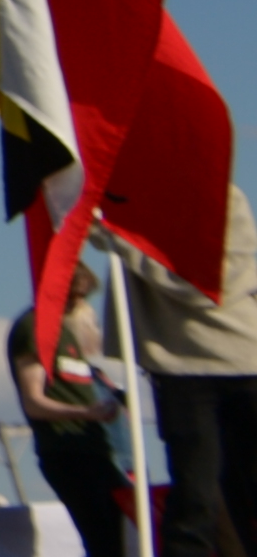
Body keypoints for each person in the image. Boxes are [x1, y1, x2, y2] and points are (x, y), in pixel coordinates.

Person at [126, 178, 257, 557]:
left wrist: (123, 241)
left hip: (243, 359)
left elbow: (217, 279)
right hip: (179, 368)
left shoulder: (223, 192)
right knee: (195, 500)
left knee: (236, 489)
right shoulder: (130, 198)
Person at [10, 268, 132, 557]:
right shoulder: (34, 327)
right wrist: (86, 412)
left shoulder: (67, 333)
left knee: (118, 538)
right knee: (102, 539)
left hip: (99, 450)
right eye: (76, 298)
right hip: (67, 450)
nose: (80, 306)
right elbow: (34, 401)